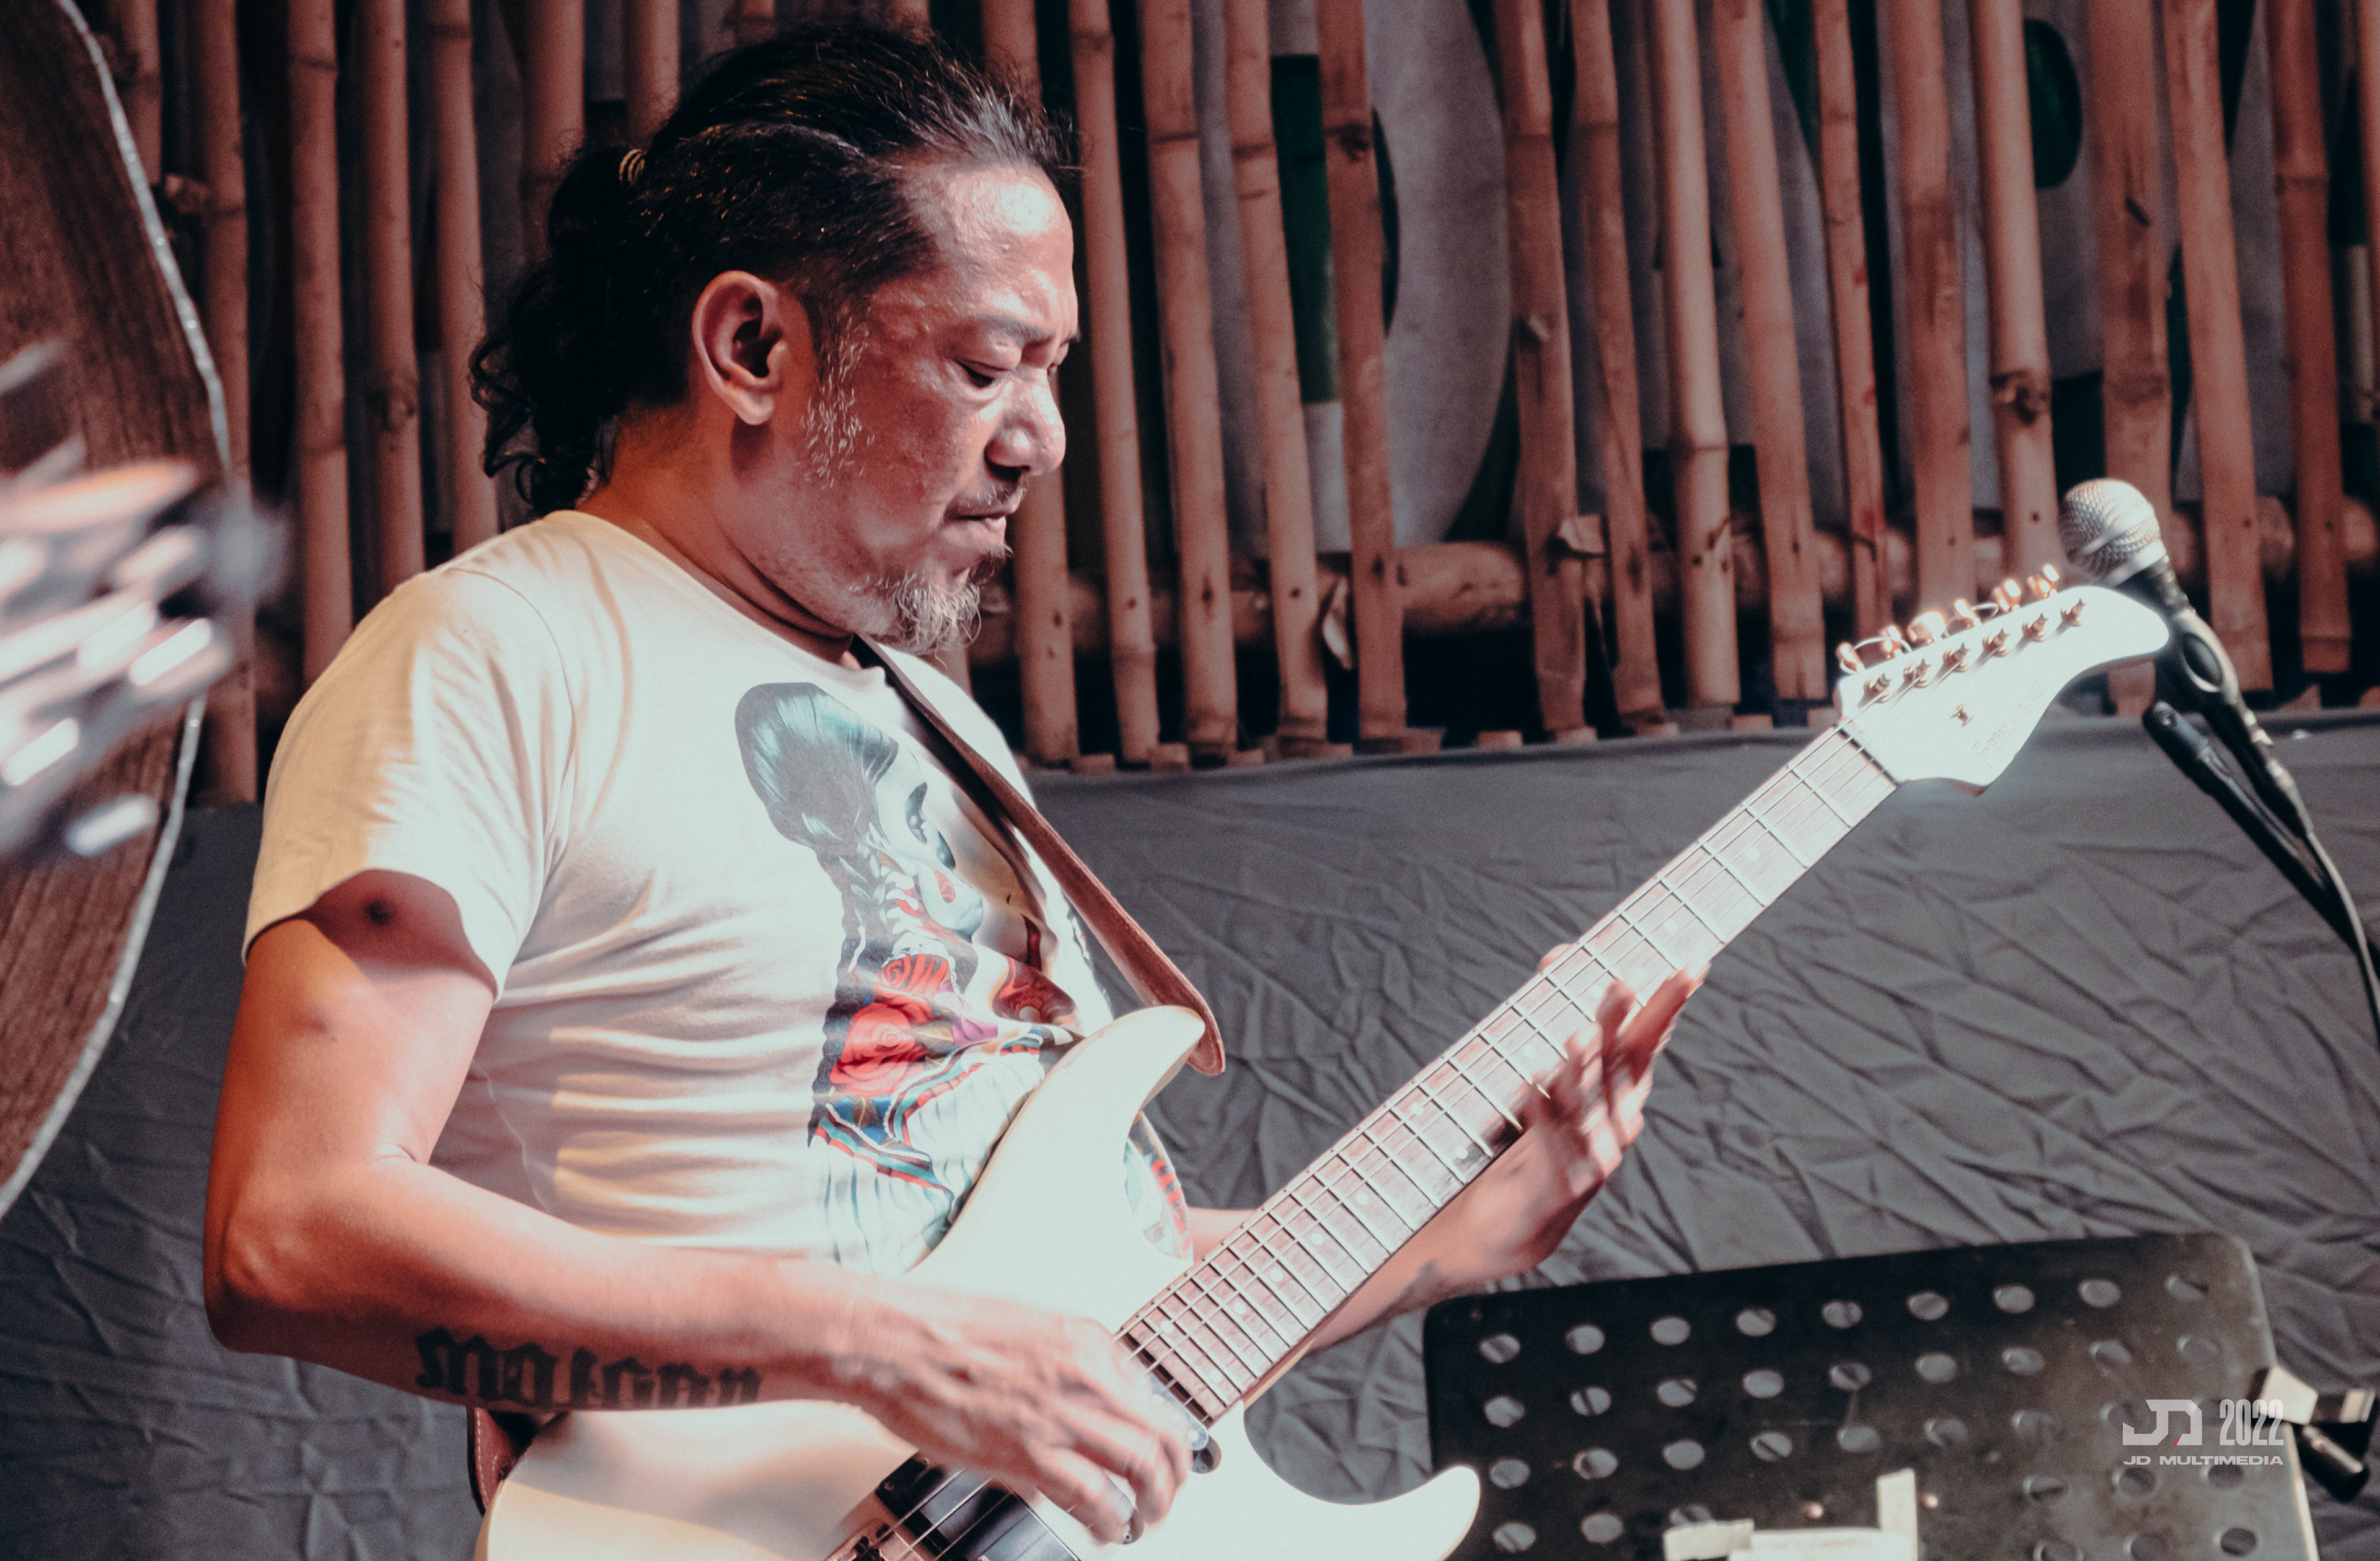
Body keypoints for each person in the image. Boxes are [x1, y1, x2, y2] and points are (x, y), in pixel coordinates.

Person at [202, 25, 1700, 1547]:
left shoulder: (935, 722)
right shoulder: (492, 655)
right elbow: (292, 1231)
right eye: (987, 367)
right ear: (753, 348)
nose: (1042, 435)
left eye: (1051, 372)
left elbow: (1056, 1323)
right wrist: (882, 1346)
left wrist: (1454, 1239)